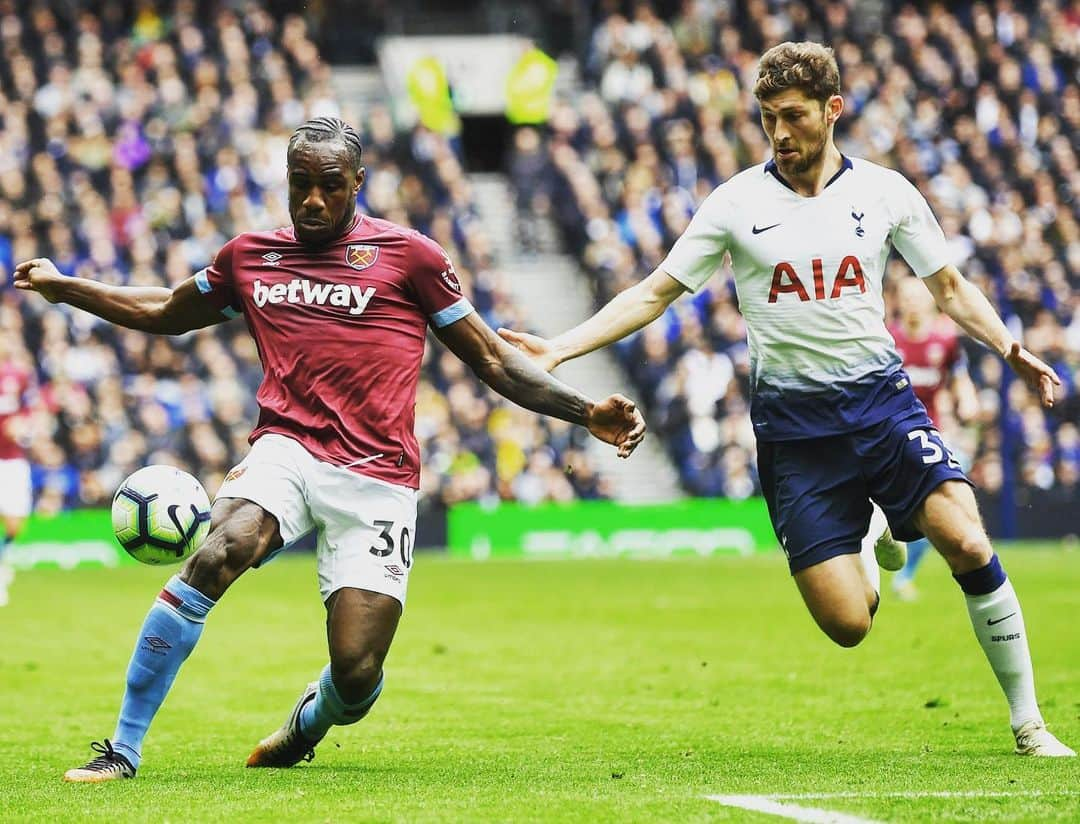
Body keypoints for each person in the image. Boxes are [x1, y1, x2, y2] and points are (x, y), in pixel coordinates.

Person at [13, 116, 647, 782]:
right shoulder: (252, 257)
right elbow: (168, 309)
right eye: (301, 185)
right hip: (285, 448)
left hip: (378, 476)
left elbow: (490, 357)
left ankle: (309, 721)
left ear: (358, 185)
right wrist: (68, 287)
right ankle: (123, 748)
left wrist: (584, 410)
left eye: (330, 187)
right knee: (218, 550)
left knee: (356, 669)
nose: (314, 200)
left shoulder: (412, 258)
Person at [498, 43, 1073, 757]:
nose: (779, 133)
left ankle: (1028, 723)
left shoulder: (886, 192)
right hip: (795, 435)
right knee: (849, 623)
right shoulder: (737, 203)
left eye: (794, 116)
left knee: (966, 538)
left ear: (833, 111)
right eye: (768, 118)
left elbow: (949, 290)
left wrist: (1011, 350)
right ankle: (869, 534)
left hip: (882, 405)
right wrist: (561, 348)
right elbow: (654, 292)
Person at [889, 276, 979, 600]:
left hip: (928, 434)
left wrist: (967, 399)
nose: (912, 302)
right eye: (906, 296)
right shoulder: (886, 340)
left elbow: (959, 378)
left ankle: (905, 575)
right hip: (886, 434)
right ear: (897, 301)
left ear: (931, 300)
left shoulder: (946, 341)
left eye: (918, 295)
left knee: (940, 506)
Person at [0, 332, 34, 606]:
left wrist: (22, 425)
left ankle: (2, 560)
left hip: (13, 459)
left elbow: (27, 410)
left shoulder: (18, 376)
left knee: (15, 521)